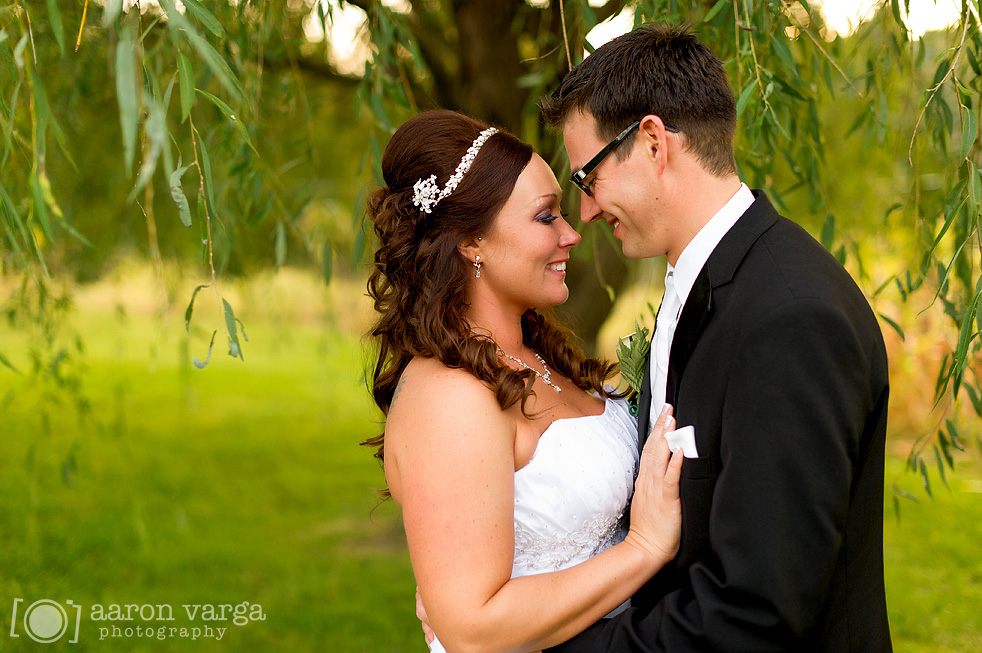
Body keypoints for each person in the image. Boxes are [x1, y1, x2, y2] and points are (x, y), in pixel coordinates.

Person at [537, 23, 892, 651]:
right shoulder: (714, 282)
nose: (585, 211)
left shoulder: (789, 318)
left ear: (651, 143)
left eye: (587, 178)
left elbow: (756, 615)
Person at [363, 109, 685, 653]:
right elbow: (473, 627)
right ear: (470, 243)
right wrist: (644, 548)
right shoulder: (451, 395)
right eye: (545, 217)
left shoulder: (536, 353)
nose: (571, 234)